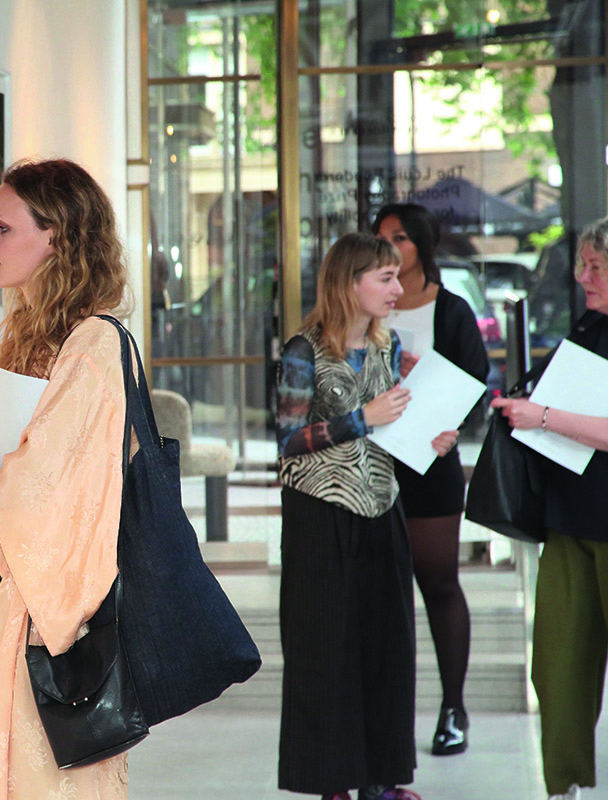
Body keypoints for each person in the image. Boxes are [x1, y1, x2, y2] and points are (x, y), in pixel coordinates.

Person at [0, 158, 133, 799]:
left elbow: (23, 493)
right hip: (10, 603)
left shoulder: (94, 346)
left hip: (49, 623)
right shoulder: (30, 339)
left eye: (1, 227)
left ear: (58, 237)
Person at [276, 232, 458, 800]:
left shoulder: (387, 342)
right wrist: (364, 417)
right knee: (324, 651)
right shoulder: (301, 350)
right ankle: (334, 783)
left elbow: (393, 423)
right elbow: (286, 438)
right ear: (348, 283)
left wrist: (430, 436)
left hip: (383, 506)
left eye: (395, 277)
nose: (397, 288)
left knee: (386, 647)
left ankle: (382, 781)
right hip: (319, 515)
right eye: (385, 278)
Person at [491, 217, 608, 800]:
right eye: (582, 266)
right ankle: (564, 785)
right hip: (570, 518)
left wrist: (541, 417)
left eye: (596, 267)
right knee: (558, 667)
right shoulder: (588, 326)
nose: (584, 278)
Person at [374, 203, 489, 756]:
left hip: (433, 464)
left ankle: (453, 708)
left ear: (422, 244)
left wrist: (446, 415)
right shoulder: (366, 305)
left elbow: (475, 385)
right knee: (383, 596)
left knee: (439, 583)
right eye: (381, 238)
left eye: (400, 237)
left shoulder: (453, 310)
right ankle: (389, 716)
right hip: (372, 464)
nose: (391, 247)